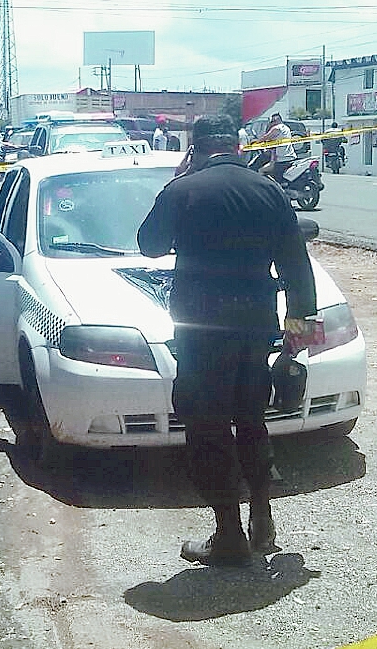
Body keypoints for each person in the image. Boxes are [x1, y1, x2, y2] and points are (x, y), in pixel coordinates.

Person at [137, 115, 317, 566]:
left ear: (194, 148)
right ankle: (262, 514)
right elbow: (298, 267)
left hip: (202, 334)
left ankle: (230, 536)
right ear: (238, 146)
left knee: (207, 427)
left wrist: (179, 183)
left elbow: (149, 244)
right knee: (251, 418)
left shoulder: (184, 189)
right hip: (257, 328)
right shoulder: (269, 190)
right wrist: (298, 337)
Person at [258, 113, 297, 184]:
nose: (271, 124)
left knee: (261, 171)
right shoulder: (286, 128)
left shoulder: (277, 128)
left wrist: (257, 142)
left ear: (277, 120)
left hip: (282, 160)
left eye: (272, 121)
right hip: (289, 157)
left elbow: (266, 137)